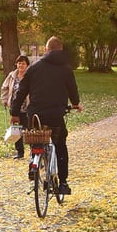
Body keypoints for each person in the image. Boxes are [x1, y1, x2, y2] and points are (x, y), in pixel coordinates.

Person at [10, 37, 82, 195]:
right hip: (56, 114)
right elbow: (73, 90)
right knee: (60, 145)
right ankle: (63, 183)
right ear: (61, 50)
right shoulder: (66, 69)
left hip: (36, 114)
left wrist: (14, 112)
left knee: (36, 140)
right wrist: (76, 103)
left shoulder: (34, 68)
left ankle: (34, 162)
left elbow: (21, 91)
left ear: (47, 50)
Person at [0, 55, 31, 159]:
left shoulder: (30, 76)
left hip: (27, 107)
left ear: (27, 65)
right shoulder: (12, 75)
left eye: (23, 63)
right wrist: (4, 99)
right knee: (16, 130)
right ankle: (19, 152)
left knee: (29, 130)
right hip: (15, 107)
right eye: (19, 63)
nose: (21, 65)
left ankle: (33, 151)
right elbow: (4, 88)